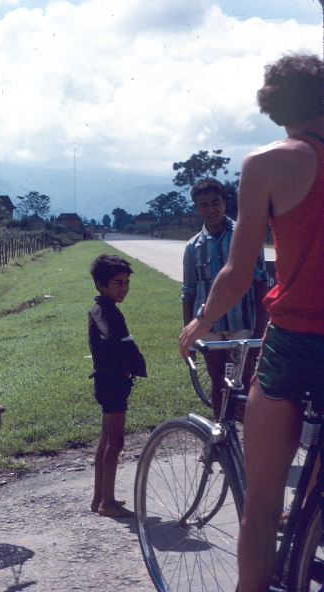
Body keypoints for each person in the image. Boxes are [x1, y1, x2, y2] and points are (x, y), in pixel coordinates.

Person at [179, 53, 324, 592]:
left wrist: (200, 322)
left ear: (273, 104)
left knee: (262, 500)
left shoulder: (266, 163)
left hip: (295, 340)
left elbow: (240, 271)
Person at [182, 177, 268, 419]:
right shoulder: (193, 247)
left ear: (225, 202)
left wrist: (260, 327)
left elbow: (260, 280)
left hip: (241, 324)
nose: (211, 210)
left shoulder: (246, 235)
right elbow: (188, 291)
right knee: (217, 382)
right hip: (209, 328)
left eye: (215, 202)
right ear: (197, 208)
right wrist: (189, 333)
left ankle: (246, 443)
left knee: (240, 383)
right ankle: (219, 439)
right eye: (204, 205)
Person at [87, 254, 146, 518]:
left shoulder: (105, 308)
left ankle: (99, 497)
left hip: (108, 381)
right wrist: (126, 355)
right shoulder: (104, 311)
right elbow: (110, 338)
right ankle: (107, 502)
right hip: (112, 382)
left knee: (106, 441)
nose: (123, 288)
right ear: (101, 285)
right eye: (117, 282)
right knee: (116, 442)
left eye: (126, 282)